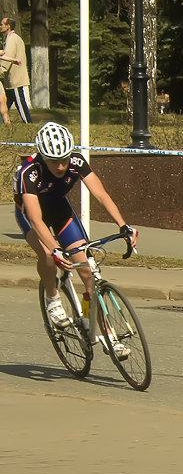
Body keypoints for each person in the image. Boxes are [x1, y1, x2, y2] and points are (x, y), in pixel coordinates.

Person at [13, 122, 138, 347]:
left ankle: (102, 329)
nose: (61, 166)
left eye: (64, 159)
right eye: (54, 161)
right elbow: (35, 219)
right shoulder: (30, 172)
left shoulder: (77, 161)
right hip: (31, 215)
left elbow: (100, 193)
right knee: (49, 256)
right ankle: (53, 300)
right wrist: (56, 249)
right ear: (43, 156)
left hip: (60, 211)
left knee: (88, 273)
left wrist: (124, 226)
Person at [0, 17, 31, 123]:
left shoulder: (12, 39)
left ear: (8, 26)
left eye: (2, 24)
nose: (1, 26)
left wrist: (1, 70)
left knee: (20, 101)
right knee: (5, 102)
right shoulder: (10, 38)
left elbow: (7, 57)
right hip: (11, 78)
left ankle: (28, 123)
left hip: (15, 77)